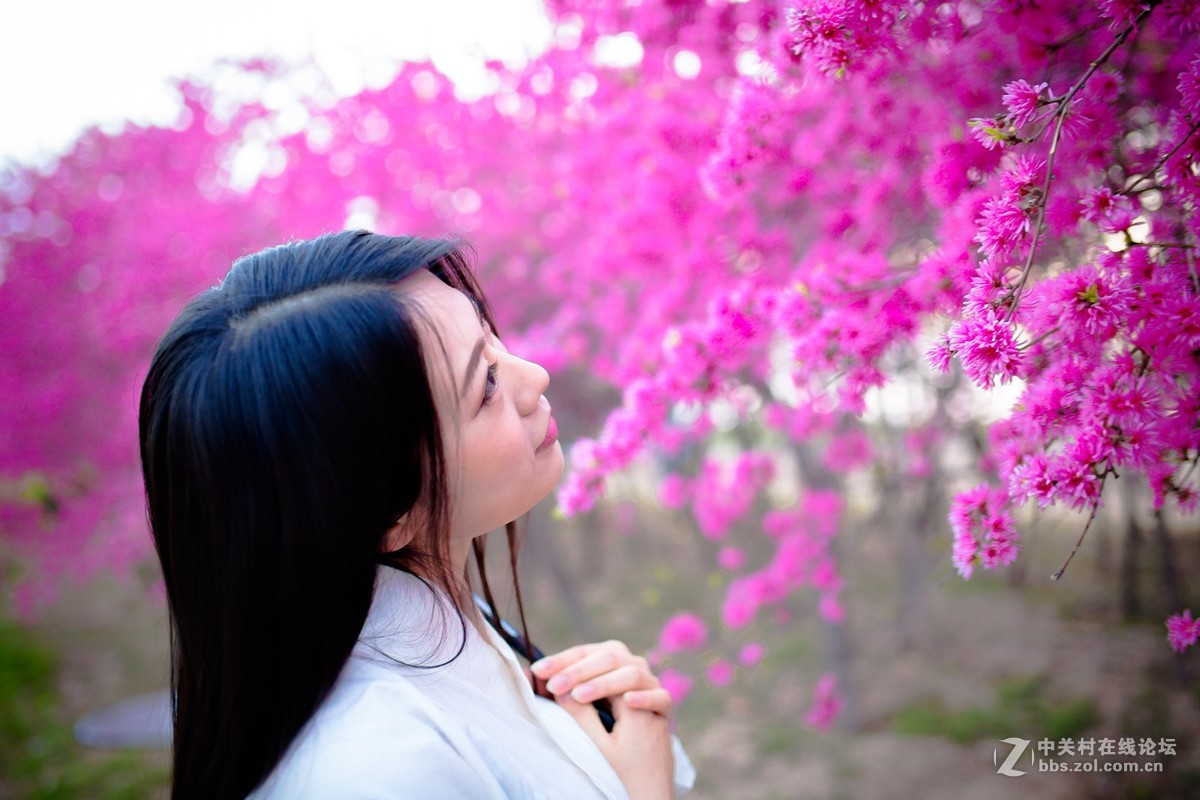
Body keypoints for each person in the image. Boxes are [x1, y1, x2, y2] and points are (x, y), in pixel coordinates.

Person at [139, 230, 695, 799]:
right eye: (486, 384)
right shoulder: (373, 771)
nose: (534, 376)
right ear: (387, 510)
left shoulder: (445, 625)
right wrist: (643, 788)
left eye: (489, 336)